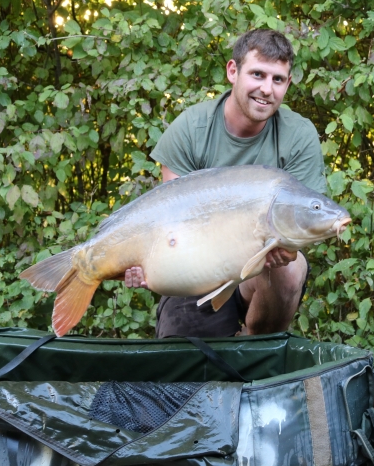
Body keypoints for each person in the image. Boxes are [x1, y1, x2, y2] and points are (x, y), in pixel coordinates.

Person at [124, 29, 327, 338]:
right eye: (257, 74)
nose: (267, 89)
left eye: (278, 79)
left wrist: (283, 250)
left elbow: (300, 228)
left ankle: (255, 343)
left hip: (260, 270)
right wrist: (147, 264)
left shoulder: (298, 136)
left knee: (290, 268)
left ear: (287, 84)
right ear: (233, 71)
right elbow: (172, 227)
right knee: (188, 370)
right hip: (197, 266)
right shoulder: (191, 129)